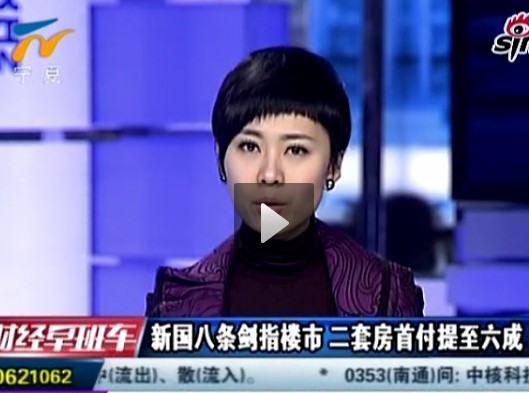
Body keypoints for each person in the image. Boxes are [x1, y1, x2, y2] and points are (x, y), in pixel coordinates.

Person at [146, 46, 424, 317]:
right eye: (250, 147)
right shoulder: (176, 303)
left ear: (334, 165)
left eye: (296, 150)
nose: (270, 175)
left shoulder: (386, 296)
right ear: (220, 157)